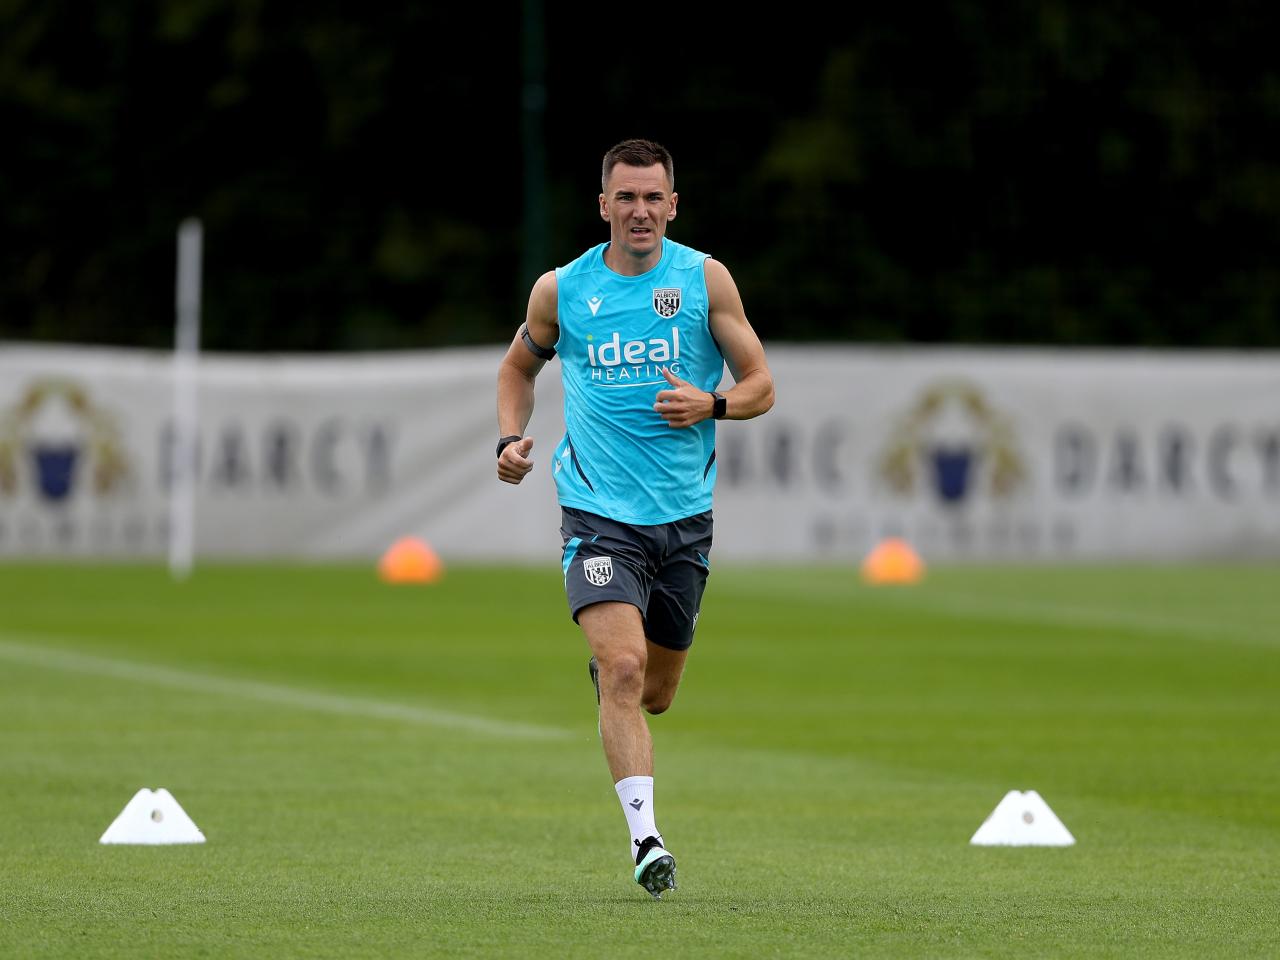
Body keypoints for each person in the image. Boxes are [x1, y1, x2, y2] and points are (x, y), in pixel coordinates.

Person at [495, 138, 774, 899]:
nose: (640, 211)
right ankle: (647, 840)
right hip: (596, 512)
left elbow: (761, 385)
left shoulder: (702, 278)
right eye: (626, 197)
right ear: (603, 205)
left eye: (653, 198)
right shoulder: (562, 290)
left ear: (673, 205)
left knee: (655, 689)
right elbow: (517, 367)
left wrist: (711, 404)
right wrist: (508, 437)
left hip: (684, 518)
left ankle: (617, 678)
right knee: (622, 668)